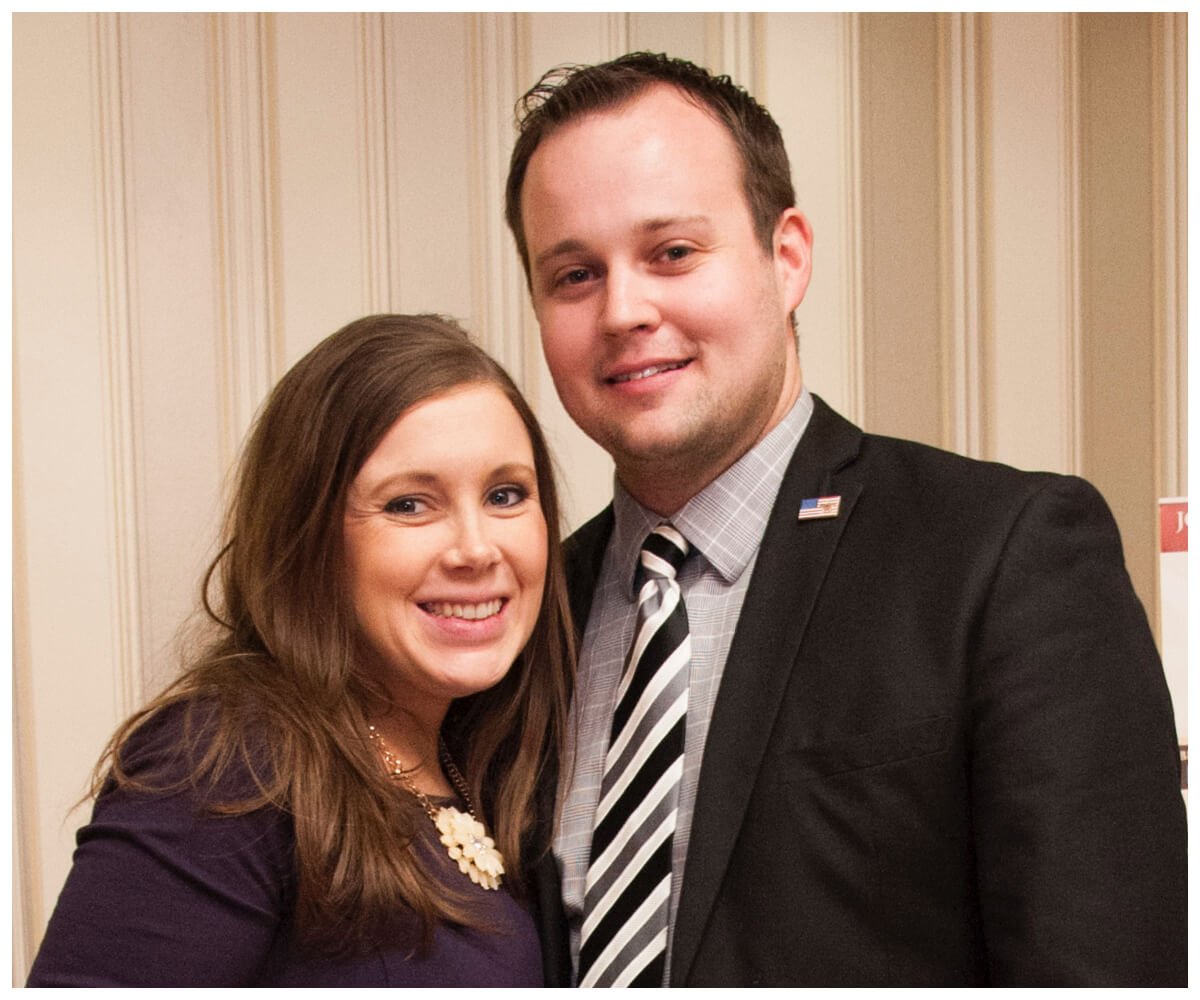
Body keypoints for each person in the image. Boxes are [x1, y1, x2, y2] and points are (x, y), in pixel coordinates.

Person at [504, 52, 1186, 986]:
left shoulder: (1003, 554)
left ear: (786, 259)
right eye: (575, 274)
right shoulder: (529, 612)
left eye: (672, 253)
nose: (624, 310)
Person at [28, 314, 574, 986]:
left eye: (505, 495)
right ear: (310, 535)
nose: (476, 548)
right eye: (409, 504)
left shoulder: (477, 762)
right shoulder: (229, 767)